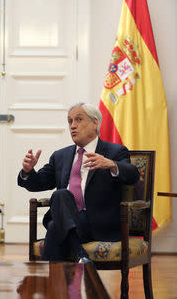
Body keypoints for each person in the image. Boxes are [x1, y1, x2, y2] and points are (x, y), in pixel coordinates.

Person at [17, 102, 139, 262]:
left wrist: (112, 165)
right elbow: (38, 183)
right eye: (70, 121)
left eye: (78, 120)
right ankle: (79, 256)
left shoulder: (115, 151)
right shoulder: (60, 156)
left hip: (98, 223)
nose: (73, 126)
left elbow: (133, 175)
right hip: (69, 219)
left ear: (95, 122)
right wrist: (27, 171)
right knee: (60, 196)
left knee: (55, 227)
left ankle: (49, 281)